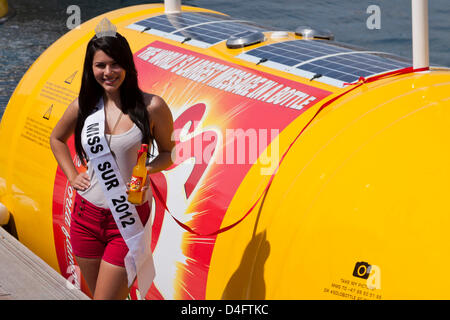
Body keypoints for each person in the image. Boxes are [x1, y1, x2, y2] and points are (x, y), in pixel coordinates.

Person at [50, 20, 174, 299]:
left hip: (127, 217)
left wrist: (146, 170)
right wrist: (72, 174)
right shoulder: (84, 106)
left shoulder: (152, 107)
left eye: (115, 64)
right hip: (85, 216)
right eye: (100, 65)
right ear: (90, 68)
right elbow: (56, 139)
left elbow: (169, 153)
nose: (108, 72)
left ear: (127, 65)